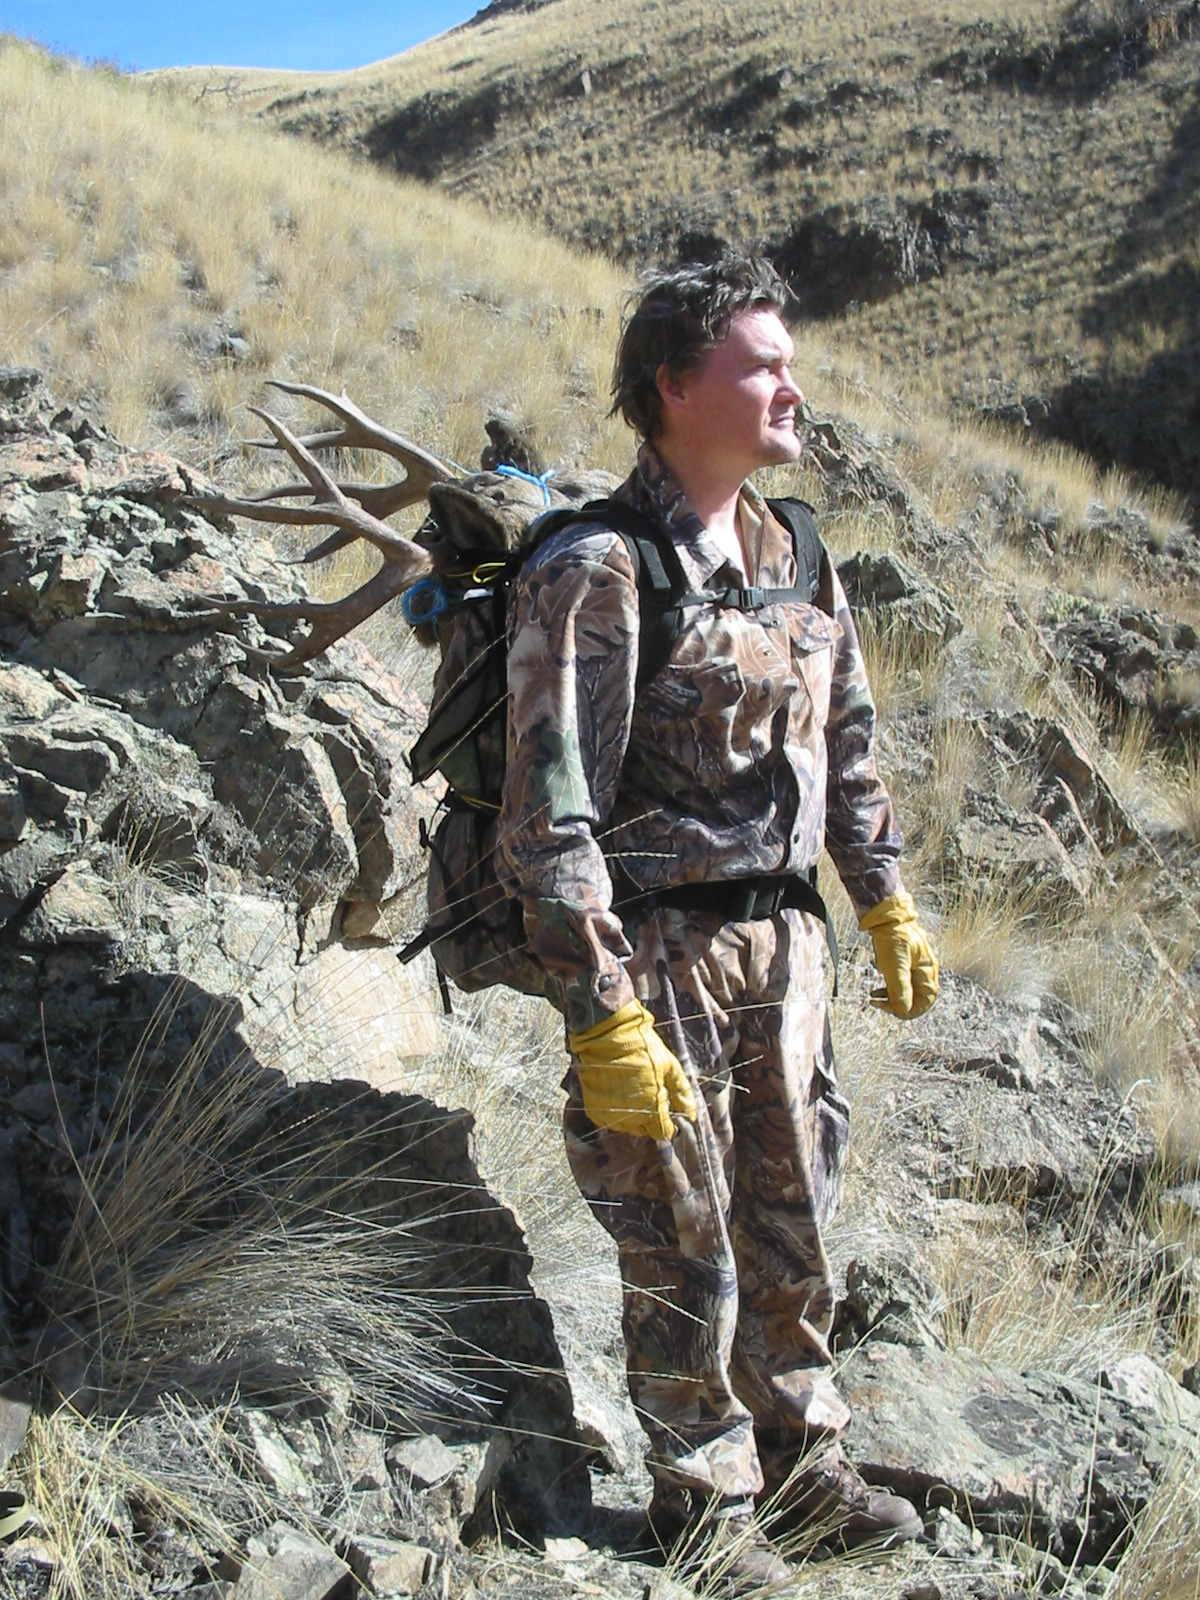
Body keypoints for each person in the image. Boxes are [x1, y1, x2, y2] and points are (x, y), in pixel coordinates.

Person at [496, 256, 939, 1590]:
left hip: (787, 952)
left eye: (789, 361)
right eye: (761, 364)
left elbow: (847, 741)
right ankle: (700, 1503)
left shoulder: (798, 552)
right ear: (676, 386)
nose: (791, 386)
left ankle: (801, 1466)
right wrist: (599, 1011)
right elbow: (549, 815)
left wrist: (883, 895)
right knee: (680, 1236)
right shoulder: (600, 568)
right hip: (659, 959)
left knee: (794, 1217)